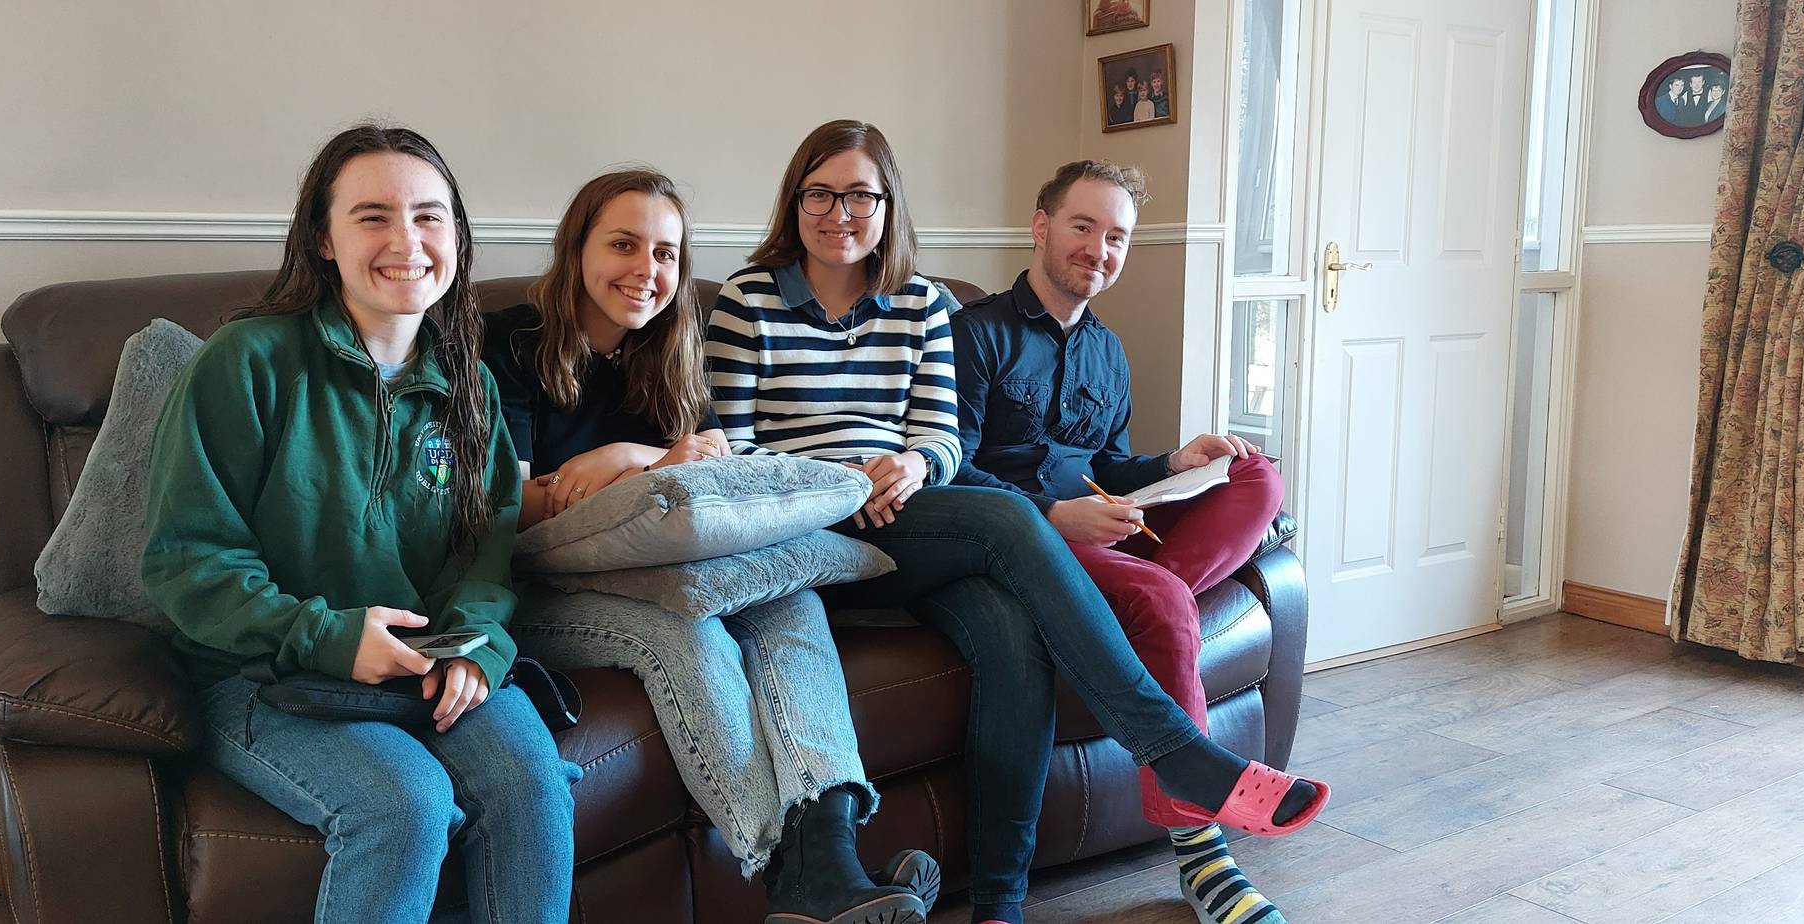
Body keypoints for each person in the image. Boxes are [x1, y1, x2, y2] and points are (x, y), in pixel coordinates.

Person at [706, 119, 1328, 924]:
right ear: (795, 201)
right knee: (1009, 520)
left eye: (861, 194)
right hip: (810, 530)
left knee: (1011, 637)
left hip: (908, 518)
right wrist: (841, 483)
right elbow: (734, 450)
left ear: (888, 205)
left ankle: (1000, 904)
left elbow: (934, 436)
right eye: (820, 193)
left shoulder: (923, 303)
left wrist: (910, 465)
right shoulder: (747, 301)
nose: (840, 211)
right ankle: (1177, 754)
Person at [140, 124, 580, 924]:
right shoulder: (246, 362)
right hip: (261, 675)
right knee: (404, 805)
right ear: (323, 238)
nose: (405, 241)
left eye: (429, 216)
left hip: (425, 669)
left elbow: (482, 557)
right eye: (372, 216)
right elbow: (186, 559)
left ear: (456, 236)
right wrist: (330, 636)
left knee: (536, 787)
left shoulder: (471, 387)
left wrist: (476, 651)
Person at [486, 168, 937, 924]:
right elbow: (516, 508)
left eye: (666, 254)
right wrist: (647, 460)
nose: (647, 270)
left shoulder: (672, 352)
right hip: (539, 594)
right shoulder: (508, 341)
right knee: (685, 634)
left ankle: (827, 850)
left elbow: (703, 477)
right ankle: (792, 877)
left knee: (788, 597)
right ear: (577, 247)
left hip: (667, 569)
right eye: (624, 244)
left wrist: (628, 459)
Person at [953, 159, 1295, 924]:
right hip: (1028, 542)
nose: (1098, 249)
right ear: (1041, 228)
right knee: (1164, 597)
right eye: (1083, 227)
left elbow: (1112, 466)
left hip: (1108, 531)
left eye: (1117, 237)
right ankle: (1203, 857)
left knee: (1256, 476)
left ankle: (1128, 608)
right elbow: (953, 470)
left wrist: (1176, 465)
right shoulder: (974, 335)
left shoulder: (1109, 350)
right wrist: (1047, 515)